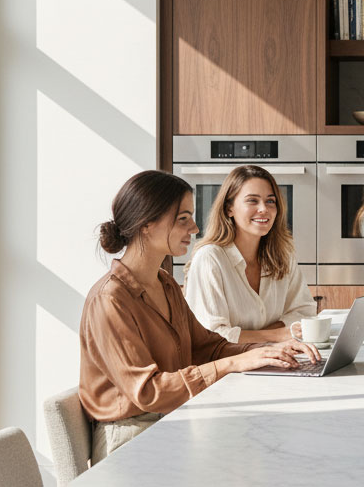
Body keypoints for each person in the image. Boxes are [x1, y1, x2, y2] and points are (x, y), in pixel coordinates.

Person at [80, 170, 318, 463]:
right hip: (131, 436)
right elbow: (148, 391)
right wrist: (232, 363)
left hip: (172, 417)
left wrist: (267, 351)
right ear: (146, 224)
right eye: (182, 218)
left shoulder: (165, 284)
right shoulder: (110, 298)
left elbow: (209, 347)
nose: (194, 228)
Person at [185, 165, 317, 343]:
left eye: (270, 201)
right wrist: (276, 335)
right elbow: (211, 337)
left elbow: (304, 311)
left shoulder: (282, 255)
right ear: (229, 209)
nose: (264, 209)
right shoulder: (210, 258)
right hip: (229, 367)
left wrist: (261, 336)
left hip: (275, 358)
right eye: (252, 201)